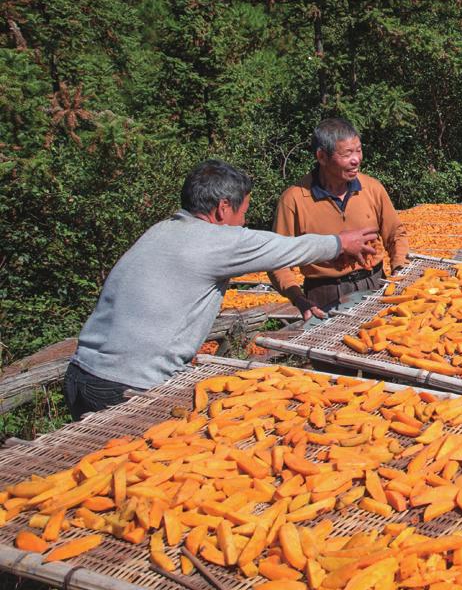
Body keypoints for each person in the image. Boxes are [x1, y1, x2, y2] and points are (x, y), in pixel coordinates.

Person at [65, 160, 378, 419]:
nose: (244, 222)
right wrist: (341, 242)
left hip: (80, 375)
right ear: (222, 209)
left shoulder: (159, 231)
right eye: (242, 213)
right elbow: (285, 249)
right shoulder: (216, 241)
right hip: (125, 387)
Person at [269, 118, 409, 320]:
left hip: (375, 283)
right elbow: (277, 260)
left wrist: (399, 268)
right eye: (347, 154)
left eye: (358, 150)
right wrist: (298, 298)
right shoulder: (294, 199)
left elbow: (395, 233)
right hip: (324, 294)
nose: (356, 159)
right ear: (322, 157)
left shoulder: (372, 188)